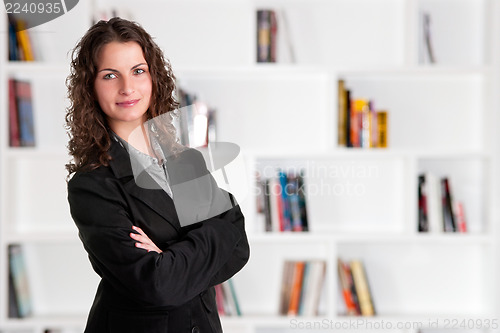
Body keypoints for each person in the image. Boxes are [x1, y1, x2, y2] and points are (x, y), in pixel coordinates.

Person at [65, 17, 249, 333]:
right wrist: (213, 236)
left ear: (153, 78)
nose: (127, 87)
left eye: (138, 71)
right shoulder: (92, 186)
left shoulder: (186, 162)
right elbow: (157, 286)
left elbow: (239, 244)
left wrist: (171, 258)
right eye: (110, 75)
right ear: (91, 87)